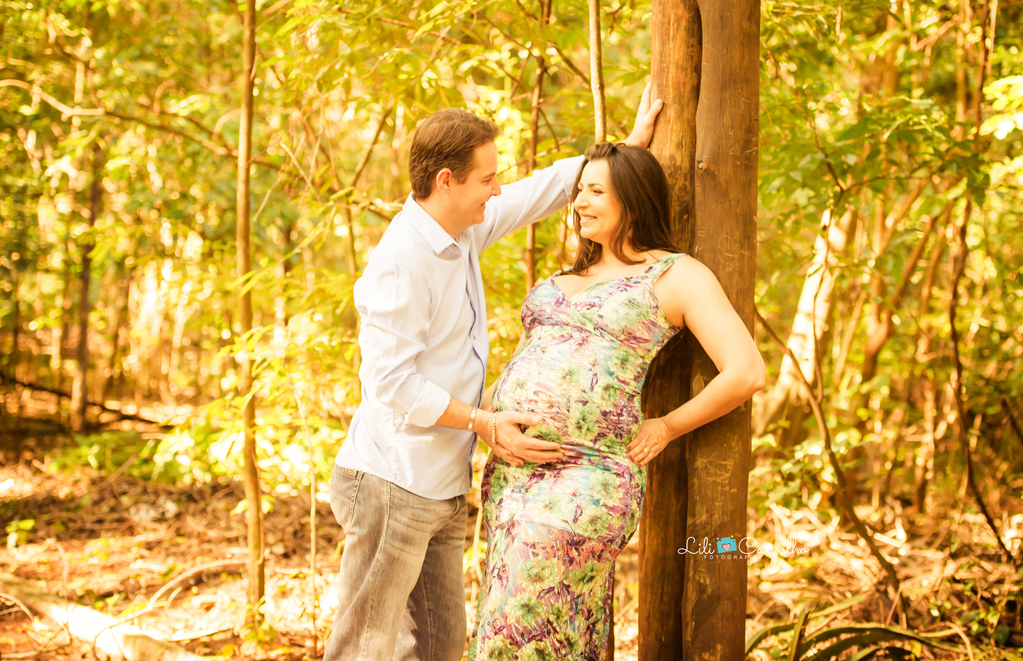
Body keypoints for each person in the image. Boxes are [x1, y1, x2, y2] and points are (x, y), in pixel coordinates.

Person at [325, 88, 664, 661]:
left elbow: (540, 191)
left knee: (438, 648)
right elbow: (391, 384)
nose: (497, 188)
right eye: (487, 178)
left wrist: (621, 159)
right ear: (446, 181)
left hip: (442, 484)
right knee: (368, 648)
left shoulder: (462, 229)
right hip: (391, 482)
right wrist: (484, 422)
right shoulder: (401, 260)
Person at [467, 141, 767, 660]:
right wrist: (482, 420)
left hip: (588, 479)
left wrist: (668, 426)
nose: (580, 202)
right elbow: (527, 365)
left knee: (519, 625)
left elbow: (746, 371)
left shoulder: (674, 275)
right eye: (579, 190)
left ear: (633, 197)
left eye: (595, 191)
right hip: (513, 477)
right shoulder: (562, 280)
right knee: (544, 624)